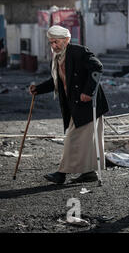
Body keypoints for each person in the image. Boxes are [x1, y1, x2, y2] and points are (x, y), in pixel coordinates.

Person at [29, 25, 109, 184]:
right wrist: (38, 89)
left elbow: (97, 67)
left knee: (73, 138)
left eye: (56, 42)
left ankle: (61, 173)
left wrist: (88, 91)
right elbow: (56, 81)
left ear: (66, 40)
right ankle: (89, 173)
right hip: (75, 105)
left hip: (88, 104)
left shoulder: (78, 51)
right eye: (51, 43)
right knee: (87, 141)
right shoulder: (58, 57)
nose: (53, 46)